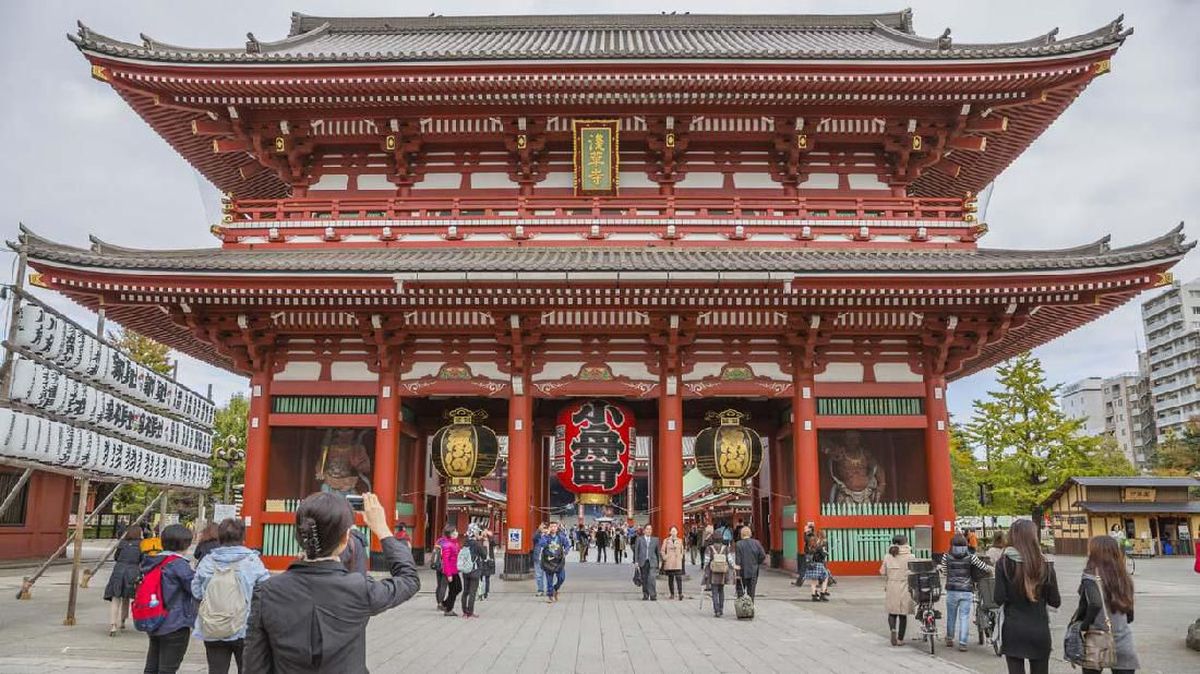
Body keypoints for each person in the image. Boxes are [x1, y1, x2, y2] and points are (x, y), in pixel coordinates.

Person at [243, 492, 419, 673]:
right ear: (345, 538)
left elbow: (254, 665)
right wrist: (382, 530)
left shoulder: (266, 592)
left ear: (299, 535)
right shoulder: (359, 588)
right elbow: (409, 579)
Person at [192, 518, 270, 674]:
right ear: (243, 538)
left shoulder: (207, 561)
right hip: (245, 626)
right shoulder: (252, 561)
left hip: (213, 624)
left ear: (219, 538)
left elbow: (196, 591)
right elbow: (266, 591)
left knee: (216, 669)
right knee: (246, 668)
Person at [994, 518, 1061, 674]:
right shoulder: (1045, 564)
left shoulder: (1003, 563)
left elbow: (998, 598)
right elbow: (1055, 601)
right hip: (1039, 628)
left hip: (1013, 628)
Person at [1068, 535, 1138, 674]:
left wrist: (1083, 625)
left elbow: (1093, 604)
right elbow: (1130, 615)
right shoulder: (1124, 577)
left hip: (1096, 638)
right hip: (1123, 638)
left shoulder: (1090, 577)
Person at [141, 524, 198, 674]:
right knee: (168, 668)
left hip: (153, 618)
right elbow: (195, 589)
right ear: (186, 543)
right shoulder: (179, 565)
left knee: (152, 666)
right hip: (175, 622)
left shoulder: (152, 562)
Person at [938, 532, 993, 651]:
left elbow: (944, 571)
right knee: (964, 617)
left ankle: (949, 638)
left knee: (951, 616)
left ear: (951, 544)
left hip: (952, 590)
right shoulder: (971, 556)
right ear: (965, 544)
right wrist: (991, 569)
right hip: (966, 590)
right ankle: (963, 642)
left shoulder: (946, 556)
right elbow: (983, 567)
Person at [104, 525, 143, 637]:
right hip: (132, 571)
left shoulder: (122, 543)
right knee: (127, 596)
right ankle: (123, 621)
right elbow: (143, 559)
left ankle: (113, 626)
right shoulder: (141, 544)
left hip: (119, 570)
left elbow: (116, 557)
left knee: (116, 597)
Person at [879, 534, 916, 646]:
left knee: (892, 612)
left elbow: (882, 572)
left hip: (892, 585)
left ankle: (893, 630)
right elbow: (914, 572)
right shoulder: (911, 556)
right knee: (903, 614)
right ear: (905, 543)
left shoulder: (888, 556)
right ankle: (900, 639)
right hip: (905, 585)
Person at [705, 529, 735, 617]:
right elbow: (730, 560)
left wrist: (705, 570)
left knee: (714, 592)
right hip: (723, 573)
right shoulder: (726, 548)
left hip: (713, 572)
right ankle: (721, 609)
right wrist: (734, 567)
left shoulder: (709, 548)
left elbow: (706, 561)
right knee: (721, 591)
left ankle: (716, 610)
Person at [733, 526, 767, 601]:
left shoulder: (739, 544)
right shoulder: (756, 543)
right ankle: (750, 608)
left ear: (741, 534)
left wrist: (736, 573)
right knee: (751, 592)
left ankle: (741, 608)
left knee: (740, 591)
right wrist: (757, 562)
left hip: (742, 572)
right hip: (753, 571)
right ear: (750, 533)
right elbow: (763, 555)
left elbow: (738, 560)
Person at [460, 523, 486, 618]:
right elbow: (484, 555)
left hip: (465, 570)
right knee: (472, 592)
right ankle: (470, 612)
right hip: (474, 570)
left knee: (465, 591)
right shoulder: (477, 544)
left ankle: (464, 611)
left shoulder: (465, 543)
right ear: (474, 532)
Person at [541, 521, 571, 603]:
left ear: (557, 528)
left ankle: (555, 589)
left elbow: (567, 545)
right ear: (549, 528)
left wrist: (565, 552)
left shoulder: (561, 537)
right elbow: (542, 544)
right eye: (551, 526)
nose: (553, 528)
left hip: (558, 561)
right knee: (549, 580)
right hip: (548, 561)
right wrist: (545, 535)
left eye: (555, 526)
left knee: (561, 578)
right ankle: (550, 595)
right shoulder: (546, 537)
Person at [438, 525, 462, 616]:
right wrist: (449, 575)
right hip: (450, 571)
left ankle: (445, 604)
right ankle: (448, 609)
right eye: (454, 532)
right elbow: (446, 561)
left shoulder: (454, 543)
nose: (457, 533)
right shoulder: (447, 545)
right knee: (454, 590)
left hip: (455, 570)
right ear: (450, 534)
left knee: (458, 588)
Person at [633, 524, 661, 601]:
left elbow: (657, 552)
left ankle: (653, 595)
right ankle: (645, 594)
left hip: (652, 562)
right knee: (644, 579)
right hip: (643, 561)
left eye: (650, 529)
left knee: (652, 579)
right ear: (644, 530)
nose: (649, 531)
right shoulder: (639, 539)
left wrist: (659, 563)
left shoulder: (656, 540)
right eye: (647, 529)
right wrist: (636, 562)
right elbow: (636, 551)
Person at [804, 531, 832, 601]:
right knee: (825, 578)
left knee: (813, 581)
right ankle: (822, 593)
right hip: (819, 564)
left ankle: (814, 596)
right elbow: (823, 555)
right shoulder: (818, 547)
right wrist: (825, 553)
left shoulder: (807, 547)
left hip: (810, 565)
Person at [661, 525, 686, 600]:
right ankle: (672, 593)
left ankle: (680, 593)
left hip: (677, 561)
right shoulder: (666, 540)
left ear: (677, 532)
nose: (673, 532)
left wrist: (681, 556)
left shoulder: (680, 540)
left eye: (675, 531)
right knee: (670, 578)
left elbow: (682, 550)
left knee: (679, 578)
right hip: (669, 562)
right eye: (672, 531)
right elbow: (662, 550)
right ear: (670, 532)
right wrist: (664, 557)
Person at [433, 526, 453, 608]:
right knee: (444, 585)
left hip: (438, 564)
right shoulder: (450, 542)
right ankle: (441, 603)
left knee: (439, 584)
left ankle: (438, 601)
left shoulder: (439, 541)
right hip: (446, 565)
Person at [531, 522, 549, 596]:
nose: (544, 529)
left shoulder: (550, 536)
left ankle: (549, 590)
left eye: (545, 528)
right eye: (543, 527)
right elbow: (533, 538)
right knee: (539, 575)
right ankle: (540, 590)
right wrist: (539, 530)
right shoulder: (538, 536)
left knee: (548, 575)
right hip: (538, 558)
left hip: (547, 559)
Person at [479, 527, 496, 600]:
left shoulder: (490, 541)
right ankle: (480, 593)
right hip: (481, 561)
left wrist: (490, 536)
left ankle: (486, 593)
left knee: (487, 578)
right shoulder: (480, 540)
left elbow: (494, 543)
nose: (485, 533)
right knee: (480, 578)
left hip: (489, 561)